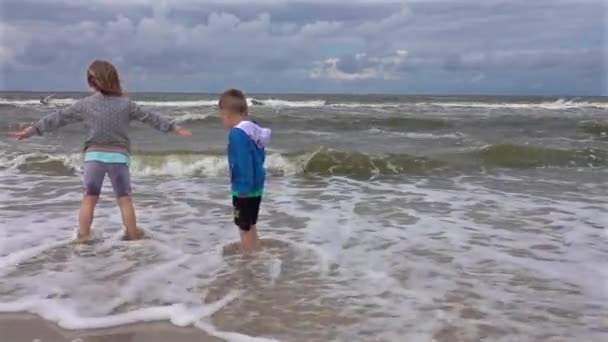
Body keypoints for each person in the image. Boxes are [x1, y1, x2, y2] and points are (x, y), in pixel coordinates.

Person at [8, 59, 192, 242]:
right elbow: (150, 117)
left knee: (89, 199)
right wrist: (173, 127)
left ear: (91, 82)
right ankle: (133, 236)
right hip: (119, 157)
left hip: (94, 157)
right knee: (125, 199)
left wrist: (31, 131)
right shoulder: (126, 104)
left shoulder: (84, 104)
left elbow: (58, 118)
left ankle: (84, 238)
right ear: (115, 80)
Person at [218, 89, 271, 252]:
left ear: (227, 114)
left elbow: (242, 163)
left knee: (244, 227)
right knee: (251, 223)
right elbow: (259, 157)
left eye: (221, 116)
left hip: (244, 189)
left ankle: (249, 258)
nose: (222, 120)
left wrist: (243, 189)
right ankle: (255, 249)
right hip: (256, 186)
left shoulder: (237, 134)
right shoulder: (253, 130)